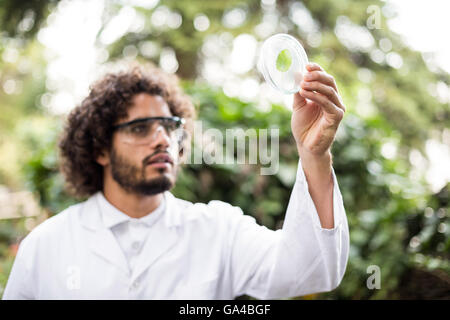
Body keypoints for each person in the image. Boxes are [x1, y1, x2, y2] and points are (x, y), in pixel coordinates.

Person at [3, 62, 349, 299]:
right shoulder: (46, 246)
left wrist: (313, 154)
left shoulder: (218, 230)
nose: (161, 140)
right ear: (100, 150)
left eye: (169, 127)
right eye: (140, 128)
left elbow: (310, 269)